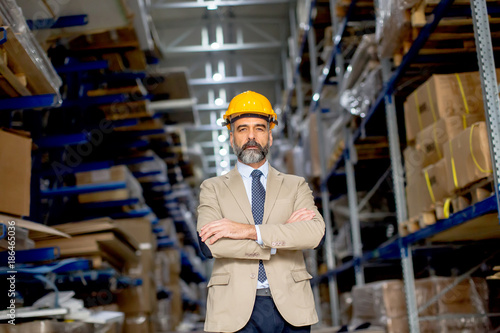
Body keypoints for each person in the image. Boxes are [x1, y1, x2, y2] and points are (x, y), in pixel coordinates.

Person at [197, 91, 325, 333]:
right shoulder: (212, 188)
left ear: (270, 136)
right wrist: (282, 237)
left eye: (260, 128)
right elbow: (211, 245)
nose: (252, 136)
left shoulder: (295, 185)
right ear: (232, 137)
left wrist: (246, 231)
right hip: (234, 308)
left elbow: (314, 235)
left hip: (291, 305)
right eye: (242, 129)